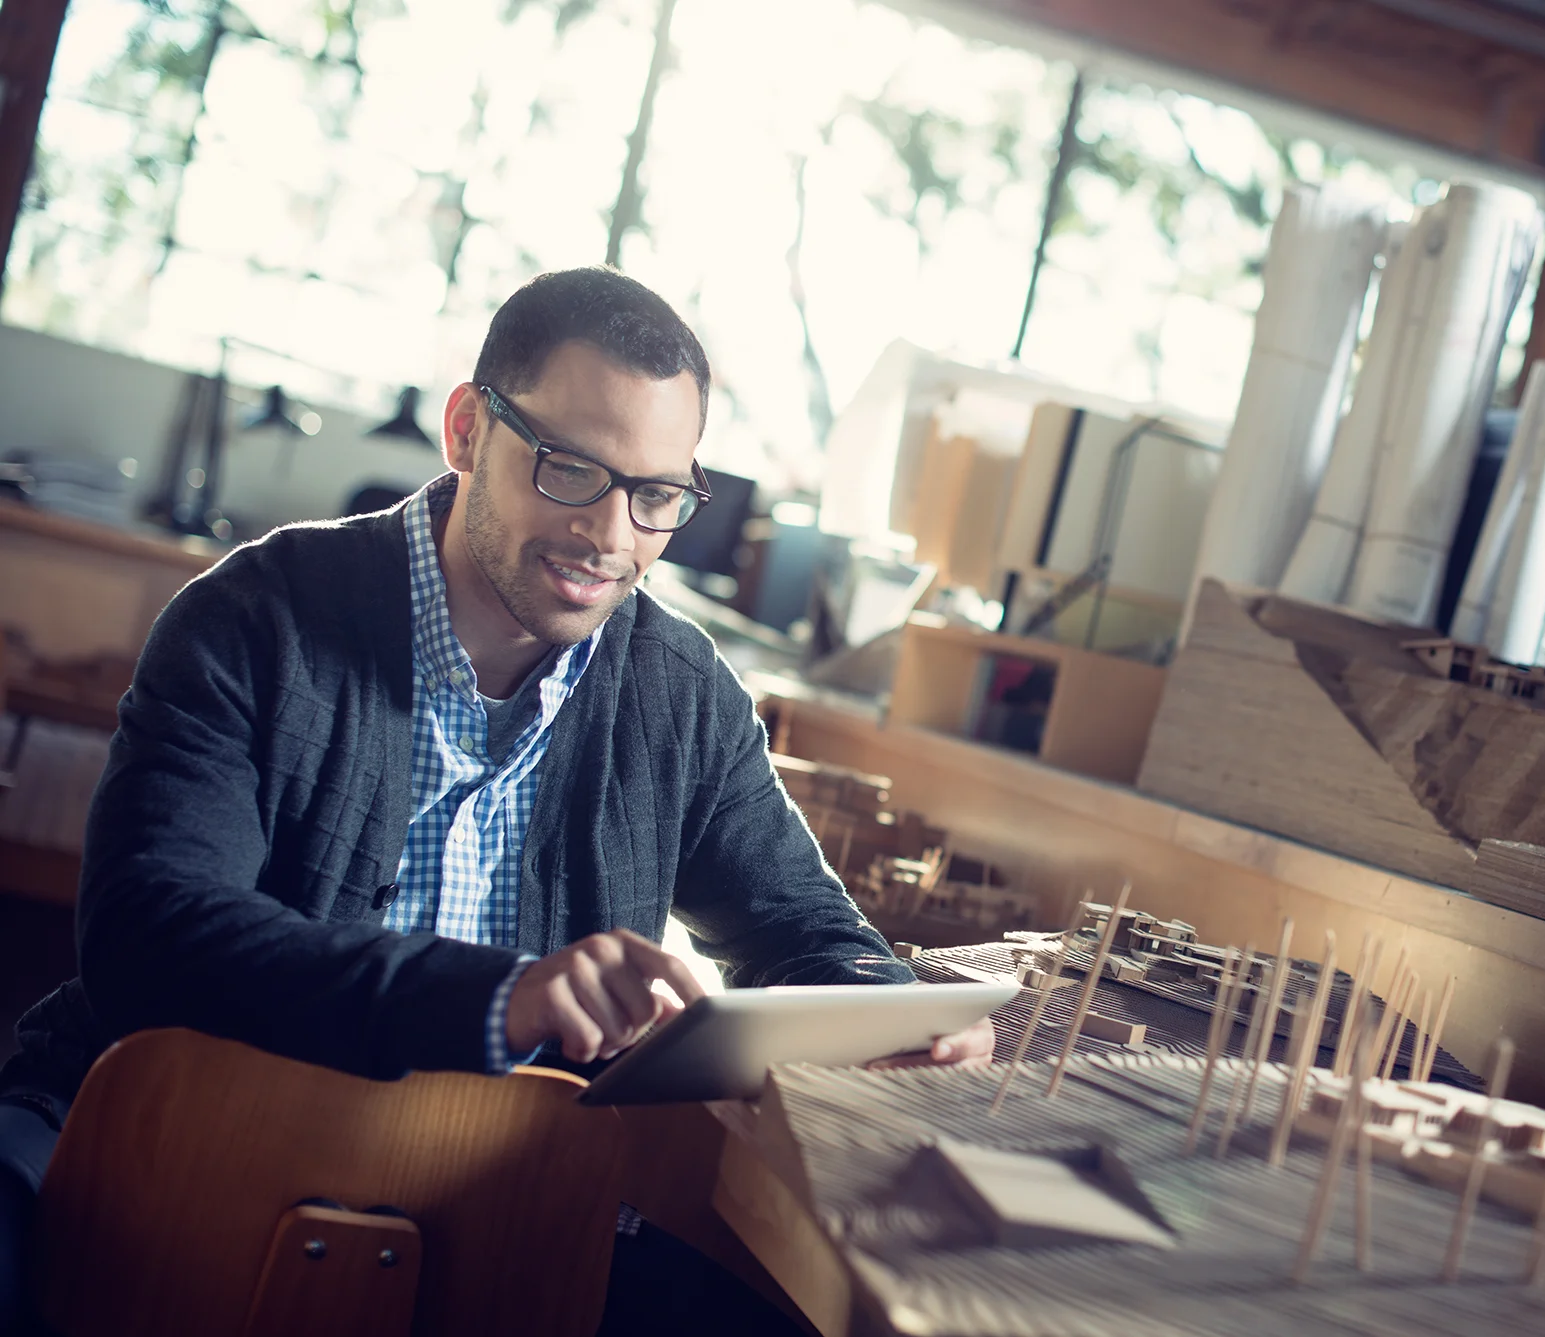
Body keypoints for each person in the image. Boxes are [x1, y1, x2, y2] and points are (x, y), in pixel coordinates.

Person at [0, 266, 992, 1334]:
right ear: (468, 430)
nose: (612, 535)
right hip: (158, 1121)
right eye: (571, 469)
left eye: (657, 495)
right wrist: (501, 998)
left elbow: (798, 927)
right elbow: (151, 935)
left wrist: (879, 1008)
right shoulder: (252, 616)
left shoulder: (682, 690)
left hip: (494, 1176)